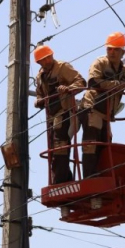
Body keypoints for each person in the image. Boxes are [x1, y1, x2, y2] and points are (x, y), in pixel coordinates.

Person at [79, 32, 125, 178]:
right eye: (109, 49)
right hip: (91, 108)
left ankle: (102, 175)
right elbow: (93, 82)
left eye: (115, 49)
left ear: (122, 52)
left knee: (105, 144)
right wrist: (115, 85)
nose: (112, 52)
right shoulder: (99, 63)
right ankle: (89, 178)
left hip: (106, 115)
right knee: (91, 145)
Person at [33, 44, 86, 184]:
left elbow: (81, 82)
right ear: (39, 62)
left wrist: (68, 89)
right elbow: (40, 95)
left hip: (65, 113)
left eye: (49, 57)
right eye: (44, 59)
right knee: (54, 150)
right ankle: (65, 179)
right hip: (52, 117)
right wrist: (38, 101)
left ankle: (59, 181)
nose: (47, 61)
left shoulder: (63, 67)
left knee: (60, 145)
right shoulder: (40, 77)